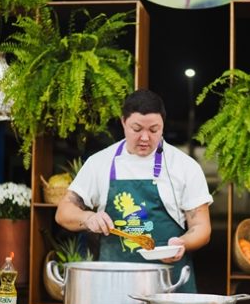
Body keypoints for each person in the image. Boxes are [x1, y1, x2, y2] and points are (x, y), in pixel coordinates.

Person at [55, 89, 213, 292]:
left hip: (169, 285)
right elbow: (63, 212)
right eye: (136, 129)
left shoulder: (184, 166)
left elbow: (201, 227)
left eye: (154, 130)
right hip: (115, 285)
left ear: (163, 125)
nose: (145, 138)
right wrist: (88, 218)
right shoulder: (100, 163)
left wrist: (182, 243)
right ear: (123, 122)